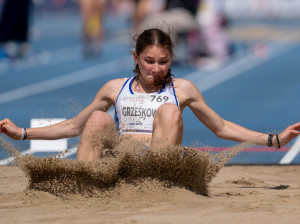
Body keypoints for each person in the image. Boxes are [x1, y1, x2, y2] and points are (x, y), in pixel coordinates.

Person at [1, 28, 299, 162]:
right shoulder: (114, 87)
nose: (156, 69)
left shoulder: (182, 89)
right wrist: (23, 133)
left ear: (171, 59)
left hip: (158, 165)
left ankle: (157, 185)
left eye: (163, 62)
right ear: (135, 57)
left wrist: (273, 140)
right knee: (96, 118)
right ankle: (85, 185)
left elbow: (220, 127)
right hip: (121, 164)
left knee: (169, 111)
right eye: (149, 61)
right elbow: (74, 126)